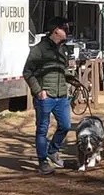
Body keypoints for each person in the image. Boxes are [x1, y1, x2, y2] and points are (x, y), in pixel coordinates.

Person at [24, 19, 76, 174]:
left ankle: (52, 151)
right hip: (45, 97)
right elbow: (27, 72)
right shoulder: (39, 50)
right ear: (56, 31)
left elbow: (61, 70)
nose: (67, 31)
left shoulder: (63, 49)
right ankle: (43, 162)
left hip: (62, 95)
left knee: (65, 125)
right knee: (42, 129)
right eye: (65, 28)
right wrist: (38, 91)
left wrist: (72, 79)